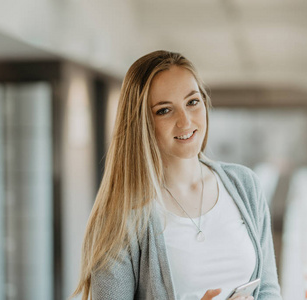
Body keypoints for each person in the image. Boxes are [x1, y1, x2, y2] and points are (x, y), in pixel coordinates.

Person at [72, 50, 282, 300]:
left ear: (204, 101)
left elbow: (268, 289)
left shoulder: (245, 185)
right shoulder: (120, 216)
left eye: (192, 102)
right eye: (164, 110)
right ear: (142, 123)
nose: (185, 121)